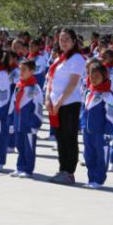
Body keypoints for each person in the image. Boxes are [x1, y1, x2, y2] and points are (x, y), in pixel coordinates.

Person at [46, 29, 87, 185]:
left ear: (74, 41)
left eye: (67, 39)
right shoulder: (60, 59)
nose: (63, 42)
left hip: (69, 104)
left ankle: (69, 172)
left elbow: (72, 83)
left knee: (69, 138)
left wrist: (58, 101)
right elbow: (50, 80)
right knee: (60, 138)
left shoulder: (77, 59)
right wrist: (48, 99)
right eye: (61, 39)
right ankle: (62, 169)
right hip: (56, 105)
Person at [81, 61, 113, 190]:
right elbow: (84, 110)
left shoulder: (107, 95)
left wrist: (108, 132)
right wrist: (83, 125)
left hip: (101, 132)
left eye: (97, 76)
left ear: (104, 77)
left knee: (101, 156)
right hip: (88, 131)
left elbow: (111, 116)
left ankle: (99, 179)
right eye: (91, 76)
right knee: (88, 155)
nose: (93, 79)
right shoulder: (88, 92)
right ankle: (91, 179)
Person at [11, 59, 43, 178]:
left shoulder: (35, 89)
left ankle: (28, 169)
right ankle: (20, 167)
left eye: (24, 70)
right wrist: (11, 122)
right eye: (20, 69)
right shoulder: (18, 86)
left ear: (32, 71)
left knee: (29, 148)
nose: (21, 72)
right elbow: (12, 105)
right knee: (19, 146)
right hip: (18, 122)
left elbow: (38, 108)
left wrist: (35, 124)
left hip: (29, 124)